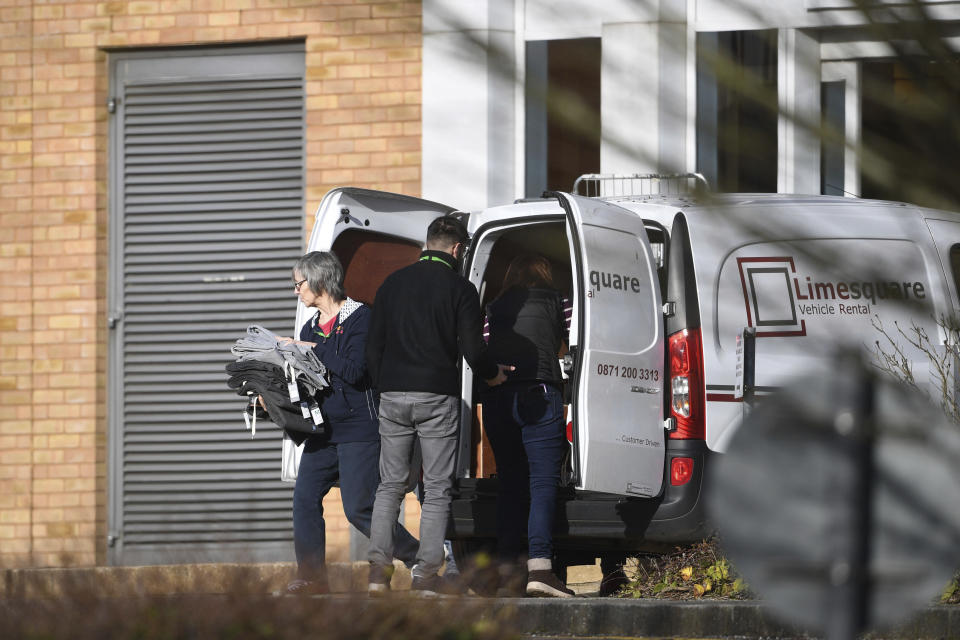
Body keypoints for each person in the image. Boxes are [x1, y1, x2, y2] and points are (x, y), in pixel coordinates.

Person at [365, 215, 511, 596]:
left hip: (393, 397)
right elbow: (474, 350)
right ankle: (426, 578)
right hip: (437, 399)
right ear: (458, 249)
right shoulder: (460, 289)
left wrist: (385, 387)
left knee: (390, 486)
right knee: (438, 488)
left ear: (427, 244)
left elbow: (372, 347)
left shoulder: (391, 284)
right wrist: (493, 373)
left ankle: (378, 575)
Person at [278, 251, 419, 595]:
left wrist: (310, 349)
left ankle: (415, 557)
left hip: (360, 428)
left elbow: (356, 372)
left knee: (359, 508)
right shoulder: (310, 326)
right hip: (323, 431)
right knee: (304, 498)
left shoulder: (361, 318)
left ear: (319, 281)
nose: (295, 291)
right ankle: (312, 577)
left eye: (298, 284)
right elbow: (314, 376)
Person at [481, 253, 575, 597]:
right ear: (545, 273)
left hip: (500, 397)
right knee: (542, 484)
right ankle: (540, 569)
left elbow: (484, 347)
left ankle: (506, 572)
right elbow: (577, 341)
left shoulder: (493, 306)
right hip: (540, 392)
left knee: (509, 482)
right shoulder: (558, 301)